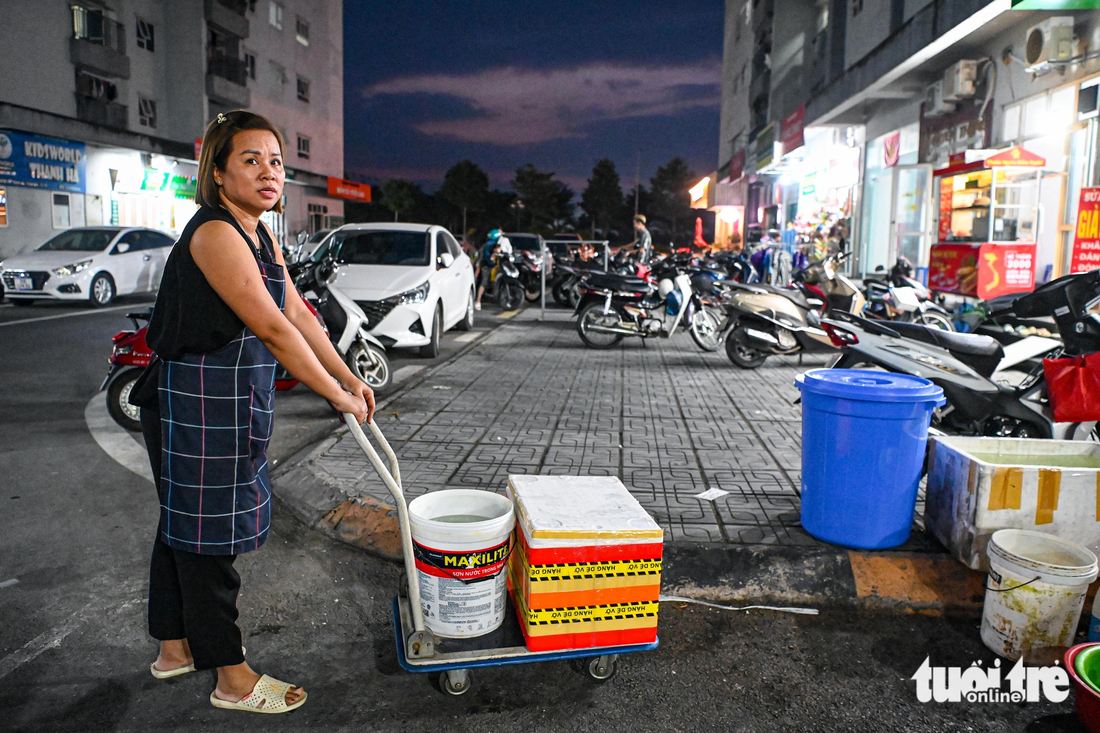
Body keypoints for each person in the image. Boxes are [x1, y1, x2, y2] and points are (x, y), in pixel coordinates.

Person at [135, 111, 373, 715]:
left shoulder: (259, 234)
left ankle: (174, 647)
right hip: (192, 402)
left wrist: (349, 374)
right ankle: (231, 676)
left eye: (276, 162)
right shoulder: (215, 233)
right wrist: (333, 395)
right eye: (251, 160)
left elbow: (298, 314)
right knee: (206, 535)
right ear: (217, 174)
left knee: (183, 523)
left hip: (228, 402)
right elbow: (269, 327)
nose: (270, 173)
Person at [476, 240, 503, 310]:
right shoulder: (489, 253)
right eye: (497, 250)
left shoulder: (499, 252)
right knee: (484, 283)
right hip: (486, 267)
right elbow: (491, 261)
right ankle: (478, 301)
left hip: (493, 268)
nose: (499, 251)